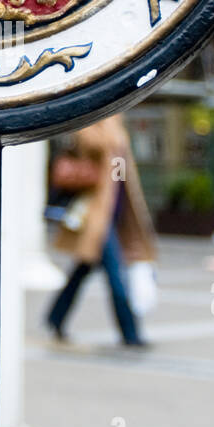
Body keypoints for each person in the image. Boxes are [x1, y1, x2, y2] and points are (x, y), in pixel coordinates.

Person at [46, 114, 156, 348]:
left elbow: (123, 172)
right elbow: (91, 143)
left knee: (81, 271)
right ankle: (130, 333)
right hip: (98, 216)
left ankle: (55, 317)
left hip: (117, 214)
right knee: (116, 277)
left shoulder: (117, 123)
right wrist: (107, 117)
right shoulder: (93, 120)